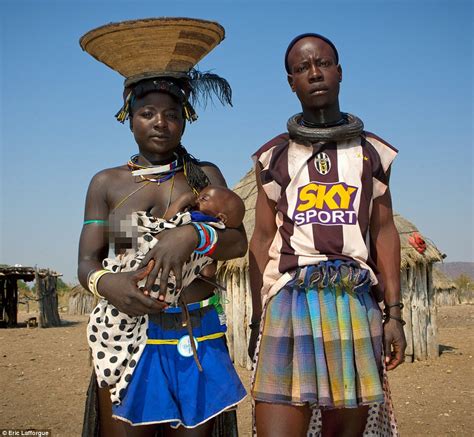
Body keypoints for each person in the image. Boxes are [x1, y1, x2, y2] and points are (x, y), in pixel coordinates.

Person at [78, 18, 247, 437]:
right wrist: (108, 285)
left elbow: (238, 240)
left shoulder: (203, 175)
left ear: (185, 118)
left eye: (171, 114)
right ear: (128, 117)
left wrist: (191, 234)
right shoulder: (107, 183)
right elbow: (86, 263)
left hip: (196, 333)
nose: (160, 122)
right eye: (147, 113)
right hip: (125, 337)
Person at [248, 33, 407, 437]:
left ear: (339, 72)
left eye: (323, 63)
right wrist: (255, 320)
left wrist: (395, 315)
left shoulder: (371, 152)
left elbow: (384, 232)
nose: (314, 73)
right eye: (302, 68)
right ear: (291, 82)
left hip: (352, 301)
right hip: (290, 298)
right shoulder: (272, 157)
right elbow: (261, 240)